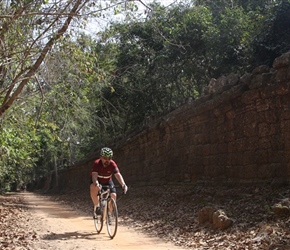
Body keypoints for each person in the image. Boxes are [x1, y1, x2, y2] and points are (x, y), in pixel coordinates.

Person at [90, 147, 128, 216]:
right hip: (98, 180)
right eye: (105, 158)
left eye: (109, 158)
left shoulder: (112, 164)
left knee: (113, 195)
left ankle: (109, 213)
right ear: (101, 157)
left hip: (108, 180)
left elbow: (118, 174)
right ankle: (97, 206)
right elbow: (94, 175)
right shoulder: (97, 163)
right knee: (93, 187)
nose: (107, 160)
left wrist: (123, 184)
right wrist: (96, 183)